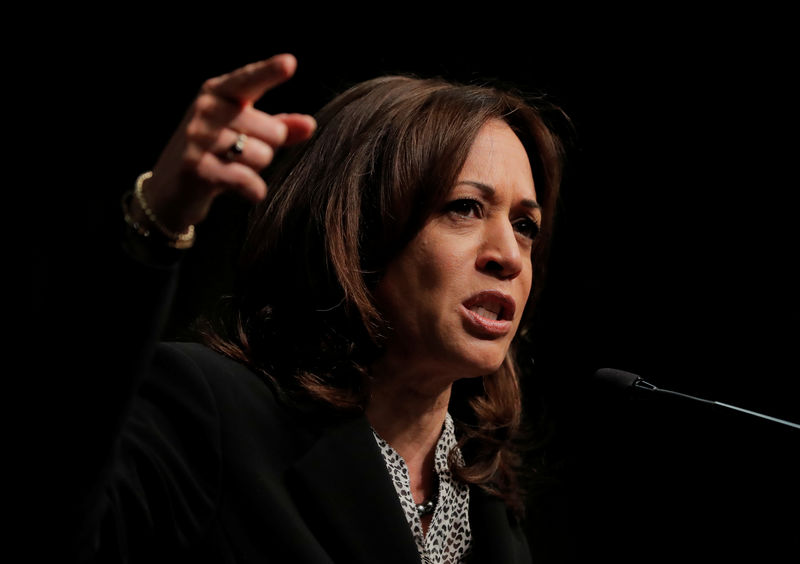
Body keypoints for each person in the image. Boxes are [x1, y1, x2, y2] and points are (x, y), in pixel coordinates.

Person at [64, 53, 566, 563]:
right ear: (356, 231)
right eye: (464, 208)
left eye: (526, 225)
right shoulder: (211, 413)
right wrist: (155, 227)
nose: (507, 255)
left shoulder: (490, 500)